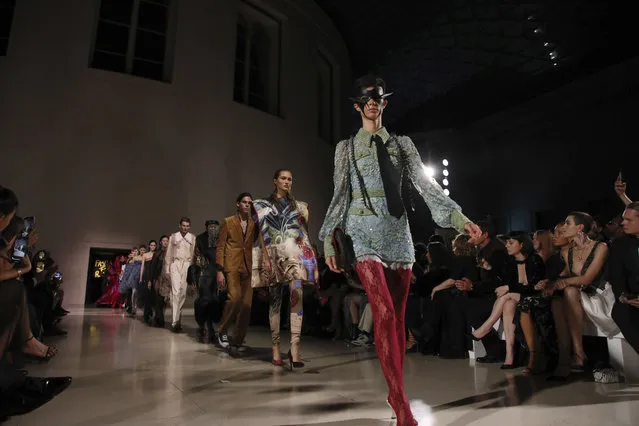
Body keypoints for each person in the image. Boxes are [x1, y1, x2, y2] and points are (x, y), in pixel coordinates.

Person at [319, 75, 481, 426]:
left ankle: (396, 391)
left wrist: (458, 217)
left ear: (384, 103)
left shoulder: (402, 144)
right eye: (366, 100)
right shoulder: (345, 148)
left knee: (398, 318)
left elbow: (426, 184)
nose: (372, 104)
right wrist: (327, 236)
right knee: (384, 313)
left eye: (377, 99)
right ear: (357, 106)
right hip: (362, 231)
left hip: (398, 233)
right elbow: (339, 195)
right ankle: (402, 401)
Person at [252, 170, 318, 367]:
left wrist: (312, 262)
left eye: (290, 179)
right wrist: (264, 257)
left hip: (294, 255)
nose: (287, 181)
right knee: (275, 301)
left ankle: (295, 348)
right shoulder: (262, 205)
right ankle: (275, 346)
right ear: (275, 181)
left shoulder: (301, 207)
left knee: (297, 295)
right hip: (274, 255)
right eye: (283, 178)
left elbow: (304, 235)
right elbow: (261, 235)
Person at [216, 193, 258, 351]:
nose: (247, 205)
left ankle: (238, 341)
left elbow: (251, 243)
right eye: (244, 202)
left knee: (246, 305)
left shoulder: (254, 223)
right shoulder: (228, 222)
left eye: (249, 203)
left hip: (248, 266)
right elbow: (220, 247)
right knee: (234, 299)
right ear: (237, 204)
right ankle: (222, 330)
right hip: (231, 265)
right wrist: (219, 270)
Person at [609, 202, 639, 353]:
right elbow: (616, 277)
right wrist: (623, 297)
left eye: (629, 220)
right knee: (621, 312)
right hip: (632, 298)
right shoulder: (620, 244)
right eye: (623, 219)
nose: (623, 223)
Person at [164, 217, 196, 332]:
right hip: (175, 264)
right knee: (175, 292)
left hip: (187, 266)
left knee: (182, 293)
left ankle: (178, 319)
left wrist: (193, 272)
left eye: (187, 226)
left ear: (189, 227)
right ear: (179, 225)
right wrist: (167, 270)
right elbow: (168, 255)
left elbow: (193, 256)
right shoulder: (173, 237)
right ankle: (175, 322)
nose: (185, 228)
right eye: (183, 225)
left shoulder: (192, 238)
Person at [194, 220, 223, 343]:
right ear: (206, 227)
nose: (212, 229)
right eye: (210, 227)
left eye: (215, 227)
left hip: (219, 272)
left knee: (216, 301)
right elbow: (197, 257)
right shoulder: (200, 238)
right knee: (205, 301)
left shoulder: (221, 238)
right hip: (205, 274)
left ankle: (213, 327)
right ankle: (203, 325)